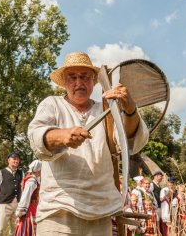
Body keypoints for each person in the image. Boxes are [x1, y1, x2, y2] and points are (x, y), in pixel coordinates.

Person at [28, 51, 149, 235]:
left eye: (85, 77)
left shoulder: (106, 108)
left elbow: (129, 142)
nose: (79, 82)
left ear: (93, 81)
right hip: (59, 209)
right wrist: (63, 135)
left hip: (100, 211)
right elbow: (36, 135)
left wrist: (130, 109)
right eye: (72, 77)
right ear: (64, 82)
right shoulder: (52, 104)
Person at [0, 152, 24, 236]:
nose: (16, 161)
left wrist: (20, 204)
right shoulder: (1, 172)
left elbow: (22, 188)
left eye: (17, 159)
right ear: (8, 160)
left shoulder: (21, 173)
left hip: (17, 204)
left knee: (15, 230)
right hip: (4, 204)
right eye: (14, 159)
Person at [15, 159, 42, 236]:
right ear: (38, 170)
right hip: (29, 214)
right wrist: (20, 214)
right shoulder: (32, 181)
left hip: (33, 211)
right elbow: (25, 197)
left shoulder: (35, 180)